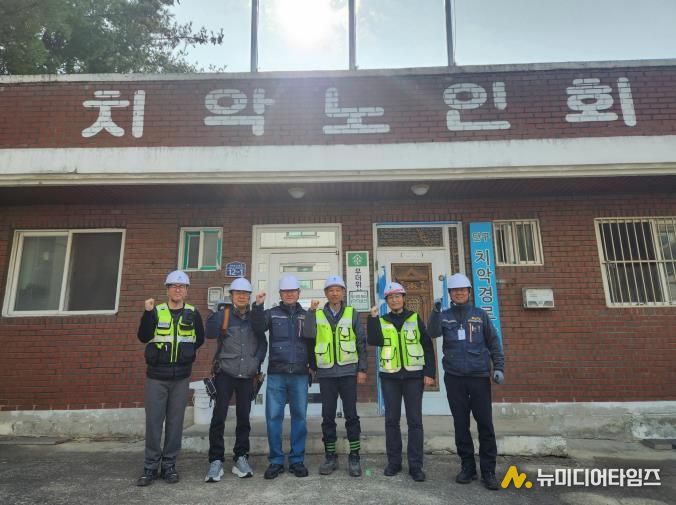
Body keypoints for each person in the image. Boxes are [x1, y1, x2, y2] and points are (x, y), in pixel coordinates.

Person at [427, 273, 505, 491]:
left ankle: (488, 471)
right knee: (460, 424)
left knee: (485, 424)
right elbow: (432, 332)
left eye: (463, 290)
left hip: (479, 377)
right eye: (455, 290)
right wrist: (434, 311)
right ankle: (467, 467)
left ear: (469, 292)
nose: (459, 293)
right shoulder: (444, 316)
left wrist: (499, 367)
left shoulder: (480, 315)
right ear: (450, 294)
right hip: (454, 378)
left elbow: (494, 342)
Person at [136, 270, 204, 486]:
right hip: (156, 377)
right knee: (154, 423)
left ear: (187, 290)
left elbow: (199, 339)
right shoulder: (156, 311)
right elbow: (144, 336)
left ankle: (169, 466)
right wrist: (147, 313)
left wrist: (185, 355)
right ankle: (150, 467)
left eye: (181, 286)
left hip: (181, 378)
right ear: (167, 290)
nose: (177, 289)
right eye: (173, 286)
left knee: (175, 424)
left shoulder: (193, 313)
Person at [366, 282, 436, 482]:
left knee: (415, 421)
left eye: (398, 296)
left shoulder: (414, 318)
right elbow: (374, 340)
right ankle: (394, 463)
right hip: (390, 377)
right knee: (391, 421)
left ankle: (416, 466)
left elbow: (427, 346)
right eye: (391, 297)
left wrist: (429, 373)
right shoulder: (382, 320)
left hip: (414, 376)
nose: (395, 300)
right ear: (387, 301)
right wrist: (372, 318)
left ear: (403, 298)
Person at [251, 274, 315, 479]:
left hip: (299, 374)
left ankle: (297, 460)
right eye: (285, 291)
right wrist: (258, 306)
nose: (289, 294)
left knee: (300, 417)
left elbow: (312, 342)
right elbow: (258, 327)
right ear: (280, 294)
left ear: (298, 293)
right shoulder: (271, 314)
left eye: (292, 291)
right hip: (277, 373)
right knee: (273, 417)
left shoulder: (306, 315)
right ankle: (276, 461)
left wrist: (313, 366)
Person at [204, 277, 267, 483]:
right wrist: (214, 314)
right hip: (225, 373)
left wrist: (256, 361)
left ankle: (241, 457)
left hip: (247, 375)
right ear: (231, 296)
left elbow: (263, 343)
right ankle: (215, 460)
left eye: (245, 294)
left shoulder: (255, 317)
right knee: (219, 417)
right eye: (238, 293)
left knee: (244, 418)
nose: (241, 297)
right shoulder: (223, 315)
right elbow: (209, 334)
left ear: (249, 297)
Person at [304, 275, 368, 477]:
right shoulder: (317, 314)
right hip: (326, 373)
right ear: (326, 293)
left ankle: (354, 456)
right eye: (330, 290)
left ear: (343, 293)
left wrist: (362, 369)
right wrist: (310, 312)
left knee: (351, 416)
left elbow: (361, 342)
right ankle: (330, 457)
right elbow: (309, 337)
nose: (334, 293)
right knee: (328, 416)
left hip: (348, 372)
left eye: (338, 290)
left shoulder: (352, 313)